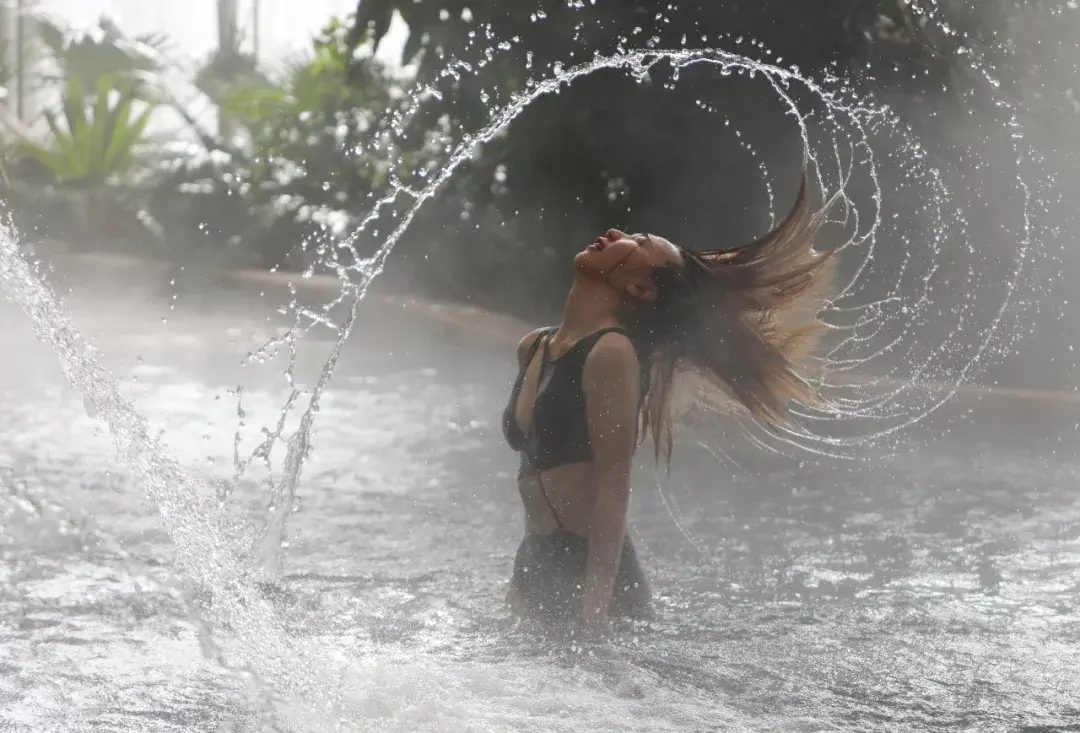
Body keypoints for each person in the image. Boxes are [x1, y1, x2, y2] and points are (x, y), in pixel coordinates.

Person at [502, 173, 837, 630]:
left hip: (595, 577)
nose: (617, 233)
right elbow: (535, 473)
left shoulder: (611, 353)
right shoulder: (535, 347)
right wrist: (523, 581)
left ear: (641, 288)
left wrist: (596, 607)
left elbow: (614, 484)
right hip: (538, 563)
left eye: (638, 243)